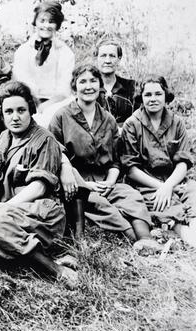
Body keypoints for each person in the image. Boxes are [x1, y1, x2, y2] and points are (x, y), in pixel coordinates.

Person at [0, 82, 77, 288]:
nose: (15, 117)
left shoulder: (44, 139)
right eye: (9, 111)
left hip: (39, 212)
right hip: (11, 212)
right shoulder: (4, 137)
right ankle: (18, 255)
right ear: (2, 113)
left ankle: (54, 268)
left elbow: (39, 187)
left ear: (31, 110)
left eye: (21, 110)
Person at [48, 64, 158, 252]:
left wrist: (109, 182)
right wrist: (85, 184)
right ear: (74, 87)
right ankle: (134, 238)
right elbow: (55, 155)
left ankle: (147, 239)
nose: (88, 86)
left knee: (131, 195)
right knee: (103, 206)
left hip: (104, 181)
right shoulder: (61, 117)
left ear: (100, 85)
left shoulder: (108, 119)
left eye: (93, 81)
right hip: (77, 185)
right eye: (82, 81)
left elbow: (116, 160)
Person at [122, 76, 196, 248]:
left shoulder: (176, 122)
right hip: (146, 183)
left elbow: (183, 162)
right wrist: (162, 188)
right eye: (148, 95)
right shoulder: (132, 124)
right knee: (166, 203)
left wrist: (169, 185)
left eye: (158, 94)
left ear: (166, 95)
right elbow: (131, 169)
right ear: (141, 98)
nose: (153, 99)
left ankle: (193, 224)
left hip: (174, 180)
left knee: (193, 191)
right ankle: (186, 235)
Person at [12, 1, 75, 126]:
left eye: (51, 21)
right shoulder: (23, 51)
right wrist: (35, 105)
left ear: (57, 25)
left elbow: (64, 89)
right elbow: (22, 82)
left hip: (56, 103)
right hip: (29, 101)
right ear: (35, 22)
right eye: (42, 20)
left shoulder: (65, 53)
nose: (46, 25)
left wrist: (47, 106)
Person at [94, 38, 136, 125]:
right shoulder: (90, 88)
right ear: (96, 58)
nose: (108, 61)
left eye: (112, 56)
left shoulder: (132, 87)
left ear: (119, 59)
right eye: (103, 56)